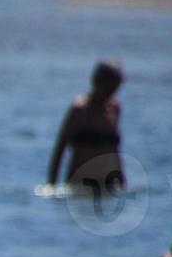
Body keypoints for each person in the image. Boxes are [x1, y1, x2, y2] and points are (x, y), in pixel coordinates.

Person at [48, 60, 124, 195]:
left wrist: (122, 182)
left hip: (109, 185)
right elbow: (60, 148)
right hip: (80, 185)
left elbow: (115, 150)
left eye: (115, 86)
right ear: (97, 81)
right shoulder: (79, 109)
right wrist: (52, 185)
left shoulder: (115, 109)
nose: (112, 91)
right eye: (109, 85)